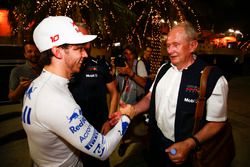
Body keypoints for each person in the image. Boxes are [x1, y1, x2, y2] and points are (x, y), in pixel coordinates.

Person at [111, 21, 228, 167]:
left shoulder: (212, 78)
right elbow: (150, 97)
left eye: (176, 45)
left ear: (193, 45)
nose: (170, 50)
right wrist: (132, 110)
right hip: (155, 141)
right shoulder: (163, 69)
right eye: (168, 45)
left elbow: (217, 122)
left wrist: (190, 143)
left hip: (185, 150)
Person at [21, 16, 135, 167]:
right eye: (78, 49)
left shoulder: (38, 84)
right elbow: (103, 149)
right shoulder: (56, 101)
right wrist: (127, 117)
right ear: (58, 52)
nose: (85, 54)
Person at [69, 24, 119, 167]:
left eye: (87, 40)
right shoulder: (66, 68)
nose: (85, 44)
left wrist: (109, 120)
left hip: (99, 128)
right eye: (80, 40)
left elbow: (114, 93)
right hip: (73, 129)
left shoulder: (100, 65)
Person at [113, 45, 149, 156]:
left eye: (130, 53)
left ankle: (145, 148)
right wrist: (112, 74)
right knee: (123, 127)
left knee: (141, 130)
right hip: (124, 101)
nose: (128, 56)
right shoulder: (120, 65)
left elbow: (144, 83)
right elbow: (116, 86)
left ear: (135, 55)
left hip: (138, 102)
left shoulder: (139, 64)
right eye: (126, 53)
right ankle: (123, 143)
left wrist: (130, 73)